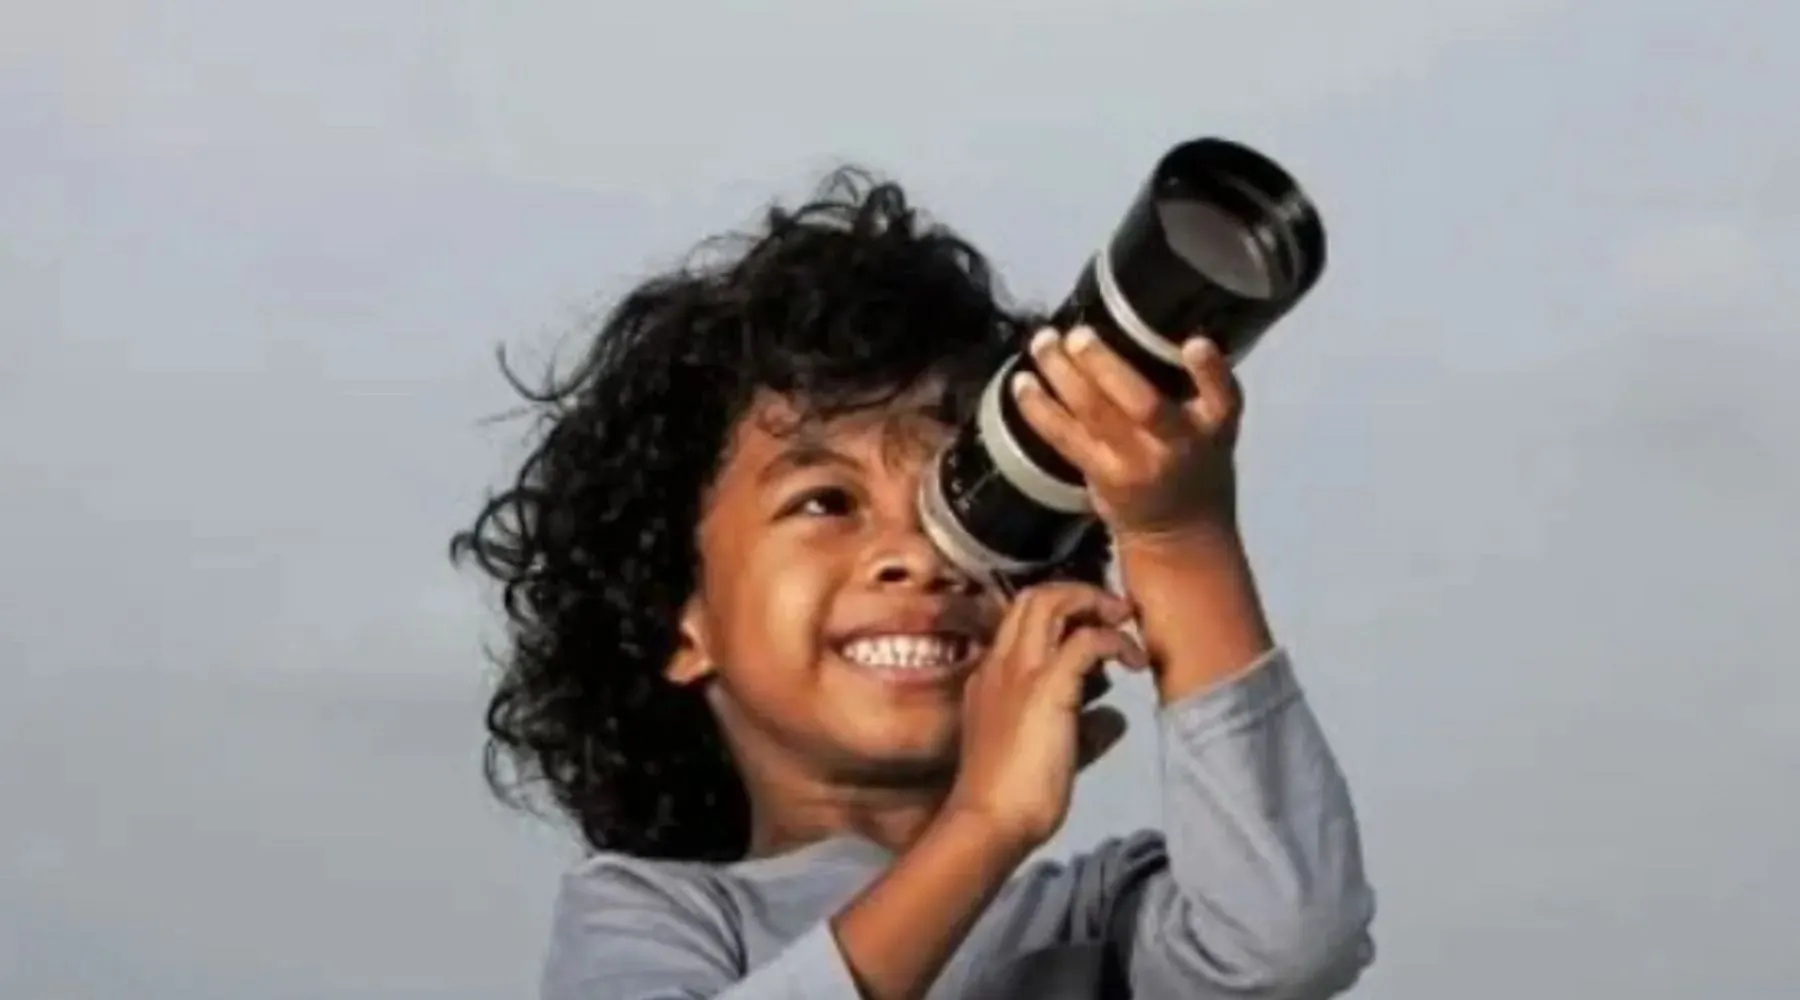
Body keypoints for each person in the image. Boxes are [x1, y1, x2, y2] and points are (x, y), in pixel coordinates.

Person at [452, 168, 1376, 1000]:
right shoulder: (661, 915)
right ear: (680, 621)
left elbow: (1290, 943)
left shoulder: (1103, 923)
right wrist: (984, 824)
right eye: (826, 502)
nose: (919, 556)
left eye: (955, 507)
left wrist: (1177, 536)